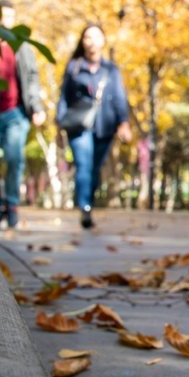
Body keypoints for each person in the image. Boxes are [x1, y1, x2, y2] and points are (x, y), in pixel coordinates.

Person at [57, 23, 132, 229]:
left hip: (105, 125)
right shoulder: (74, 67)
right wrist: (59, 121)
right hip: (79, 125)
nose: (92, 41)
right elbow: (64, 96)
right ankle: (85, 207)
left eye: (96, 36)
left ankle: (87, 200)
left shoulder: (111, 69)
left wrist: (123, 123)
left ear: (103, 40)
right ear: (82, 41)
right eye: (87, 37)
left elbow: (119, 96)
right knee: (84, 164)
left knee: (95, 169)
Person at [0, 0, 45, 229]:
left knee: (14, 158)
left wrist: (36, 107)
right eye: (1, 16)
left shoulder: (22, 46)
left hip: (17, 113)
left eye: (9, 16)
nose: (4, 21)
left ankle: (11, 206)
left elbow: (32, 77)